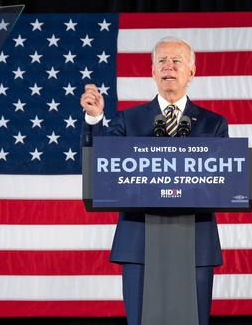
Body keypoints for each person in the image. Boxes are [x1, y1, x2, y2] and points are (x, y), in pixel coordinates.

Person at [80, 36, 228, 325]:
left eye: (176, 60)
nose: (168, 66)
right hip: (140, 241)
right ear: (152, 71)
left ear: (192, 72)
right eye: (161, 60)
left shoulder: (214, 124)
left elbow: (221, 182)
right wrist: (96, 119)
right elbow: (100, 166)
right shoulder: (128, 120)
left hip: (195, 241)